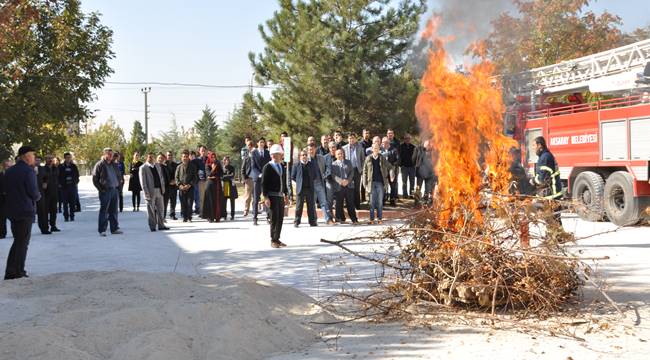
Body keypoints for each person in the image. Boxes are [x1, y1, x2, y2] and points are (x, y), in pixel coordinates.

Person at [4, 146, 40, 280]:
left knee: (18, 241)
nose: (34, 158)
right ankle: (16, 271)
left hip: (13, 210)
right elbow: (33, 192)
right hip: (25, 210)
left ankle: (13, 270)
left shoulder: (9, 171)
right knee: (22, 242)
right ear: (25, 156)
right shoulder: (28, 171)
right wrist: (38, 197)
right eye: (32, 155)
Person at [92, 148, 123, 237]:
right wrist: (101, 189)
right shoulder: (99, 164)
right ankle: (102, 230)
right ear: (104, 154)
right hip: (105, 191)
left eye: (111, 154)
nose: (110, 156)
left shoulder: (114, 164)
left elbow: (118, 176)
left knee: (114, 210)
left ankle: (114, 228)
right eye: (108, 154)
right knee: (104, 210)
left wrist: (119, 187)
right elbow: (95, 179)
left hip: (114, 190)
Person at [262, 144, 288, 248]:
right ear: (273, 155)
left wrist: (286, 194)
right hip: (272, 196)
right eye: (279, 154)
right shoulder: (267, 167)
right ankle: (273, 239)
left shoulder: (281, 166)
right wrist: (266, 197)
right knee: (274, 218)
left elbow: (284, 181)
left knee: (280, 217)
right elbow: (263, 183)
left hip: (280, 195)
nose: (281, 156)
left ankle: (277, 238)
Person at [139, 153, 169, 232]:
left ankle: (161, 225)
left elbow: (161, 178)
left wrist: (163, 189)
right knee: (151, 210)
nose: (151, 158)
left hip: (159, 190)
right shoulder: (143, 168)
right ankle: (152, 226)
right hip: (150, 191)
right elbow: (143, 182)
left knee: (161, 209)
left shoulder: (157, 166)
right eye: (149, 157)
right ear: (146, 157)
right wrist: (146, 193)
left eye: (152, 157)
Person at [307, 143, 335, 225]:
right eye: (309, 150)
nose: (310, 151)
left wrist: (324, 175)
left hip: (319, 183)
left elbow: (327, 168)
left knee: (324, 202)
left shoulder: (321, 158)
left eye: (312, 149)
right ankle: (313, 220)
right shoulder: (306, 159)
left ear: (315, 149)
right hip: (311, 185)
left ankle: (328, 219)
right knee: (312, 203)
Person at [363, 143, 390, 224]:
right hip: (371, 183)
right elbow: (365, 171)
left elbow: (390, 166)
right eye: (374, 148)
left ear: (379, 149)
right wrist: (365, 183)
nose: (376, 150)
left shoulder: (382, 158)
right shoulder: (368, 158)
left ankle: (379, 218)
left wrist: (391, 173)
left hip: (380, 183)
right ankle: (371, 219)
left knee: (380, 202)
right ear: (372, 149)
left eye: (377, 148)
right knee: (372, 202)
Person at [330, 149, 359, 224]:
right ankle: (339, 219)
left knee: (350, 203)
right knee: (339, 204)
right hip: (339, 186)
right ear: (336, 155)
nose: (340, 155)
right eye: (338, 154)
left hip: (348, 185)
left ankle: (354, 219)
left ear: (343, 154)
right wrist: (340, 181)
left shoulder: (348, 162)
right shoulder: (333, 164)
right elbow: (333, 175)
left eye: (341, 153)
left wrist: (348, 181)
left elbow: (352, 172)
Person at [292, 150, 317, 227]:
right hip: (300, 189)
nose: (304, 156)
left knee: (311, 206)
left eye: (305, 155)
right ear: (300, 157)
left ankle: (312, 222)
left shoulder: (311, 165)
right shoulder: (296, 165)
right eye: (302, 155)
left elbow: (315, 175)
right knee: (299, 206)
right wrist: (299, 182)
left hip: (309, 188)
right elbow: (293, 176)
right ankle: (297, 222)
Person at [36, 155, 60, 234]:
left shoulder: (55, 168)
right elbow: (42, 179)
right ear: (45, 160)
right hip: (45, 193)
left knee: (54, 210)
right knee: (44, 211)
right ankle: (45, 227)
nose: (50, 159)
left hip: (55, 192)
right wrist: (44, 183)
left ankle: (53, 225)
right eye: (48, 158)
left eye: (51, 158)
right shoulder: (43, 169)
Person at [343, 133, 365, 209]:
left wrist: (361, 169)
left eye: (352, 138)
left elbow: (363, 159)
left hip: (357, 170)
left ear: (355, 139)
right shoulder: (344, 148)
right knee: (348, 188)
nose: (351, 139)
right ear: (347, 139)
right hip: (348, 171)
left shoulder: (360, 147)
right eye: (349, 138)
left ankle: (357, 205)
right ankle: (349, 204)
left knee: (356, 188)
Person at [251, 138, 271, 225]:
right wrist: (259, 174)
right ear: (257, 143)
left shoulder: (267, 152)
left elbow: (269, 164)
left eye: (263, 142)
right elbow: (253, 166)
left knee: (267, 197)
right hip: (257, 178)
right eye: (260, 142)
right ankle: (255, 218)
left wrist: (266, 174)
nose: (262, 144)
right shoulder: (254, 153)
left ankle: (268, 217)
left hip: (266, 178)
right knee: (256, 198)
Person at [175, 150, 199, 222]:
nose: (184, 158)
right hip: (181, 188)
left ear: (188, 157)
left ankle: (189, 217)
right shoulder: (178, 167)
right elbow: (176, 178)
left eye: (186, 156)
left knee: (189, 203)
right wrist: (180, 185)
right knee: (183, 203)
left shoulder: (193, 166)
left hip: (190, 188)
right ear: (181, 158)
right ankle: (184, 217)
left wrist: (189, 185)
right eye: (183, 157)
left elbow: (195, 177)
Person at [202, 152, 225, 223]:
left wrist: (215, 175)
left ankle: (217, 216)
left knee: (217, 200)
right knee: (210, 200)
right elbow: (208, 174)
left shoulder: (218, 164)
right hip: (209, 185)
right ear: (209, 158)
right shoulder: (207, 165)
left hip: (217, 185)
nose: (213, 158)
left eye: (214, 157)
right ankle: (210, 217)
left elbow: (221, 173)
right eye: (212, 157)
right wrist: (212, 169)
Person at [58, 152, 80, 222]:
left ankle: (72, 215)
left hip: (72, 186)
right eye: (67, 157)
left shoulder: (73, 166)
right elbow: (58, 176)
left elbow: (77, 175)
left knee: (72, 202)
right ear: (64, 158)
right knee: (65, 203)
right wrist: (60, 184)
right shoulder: (61, 166)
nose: (68, 159)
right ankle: (66, 216)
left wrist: (76, 182)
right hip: (64, 187)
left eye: (69, 157)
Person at [416, 140, 436, 205]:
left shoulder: (433, 152)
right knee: (418, 187)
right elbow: (416, 160)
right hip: (420, 173)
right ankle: (416, 200)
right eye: (427, 145)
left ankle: (425, 200)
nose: (428, 146)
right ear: (424, 145)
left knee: (427, 189)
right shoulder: (420, 151)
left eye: (429, 145)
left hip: (429, 174)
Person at [381, 136, 399, 206]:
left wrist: (392, 165)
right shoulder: (380, 150)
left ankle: (392, 201)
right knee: (383, 186)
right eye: (383, 143)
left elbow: (398, 160)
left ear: (389, 143)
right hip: (383, 171)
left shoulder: (394, 150)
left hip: (392, 170)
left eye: (385, 143)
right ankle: (383, 200)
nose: (384, 144)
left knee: (393, 186)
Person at [399, 134, 416, 199]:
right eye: (406, 138)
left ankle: (411, 195)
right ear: (404, 139)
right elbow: (399, 156)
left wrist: (414, 165)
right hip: (404, 167)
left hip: (412, 167)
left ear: (410, 139)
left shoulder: (413, 147)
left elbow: (416, 157)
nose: (407, 139)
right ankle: (405, 195)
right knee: (404, 182)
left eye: (409, 138)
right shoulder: (401, 147)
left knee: (412, 182)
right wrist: (401, 165)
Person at [323, 141, 338, 217]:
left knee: (338, 199)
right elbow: (323, 170)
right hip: (329, 181)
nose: (332, 149)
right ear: (328, 148)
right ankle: (330, 216)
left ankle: (338, 216)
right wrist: (326, 176)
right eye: (330, 147)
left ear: (336, 147)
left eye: (333, 147)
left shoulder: (339, 155)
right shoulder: (325, 158)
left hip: (338, 181)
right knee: (329, 199)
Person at [240, 141, 254, 216]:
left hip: (256, 178)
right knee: (247, 196)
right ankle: (246, 210)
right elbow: (242, 169)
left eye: (251, 145)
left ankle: (255, 210)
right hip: (248, 179)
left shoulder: (256, 155)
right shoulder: (246, 157)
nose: (250, 146)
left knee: (256, 196)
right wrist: (244, 179)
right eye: (249, 145)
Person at [164, 151, 179, 220]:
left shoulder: (176, 165)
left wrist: (175, 181)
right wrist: (168, 182)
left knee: (173, 201)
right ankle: (163, 216)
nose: (169, 156)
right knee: (165, 202)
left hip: (174, 186)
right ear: (166, 156)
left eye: (171, 155)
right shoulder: (164, 165)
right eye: (168, 155)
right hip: (166, 186)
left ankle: (172, 214)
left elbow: (178, 174)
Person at [222, 156, 237, 220]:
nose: (226, 161)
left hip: (231, 185)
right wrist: (228, 176)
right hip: (224, 185)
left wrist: (225, 176)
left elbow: (232, 175)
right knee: (224, 201)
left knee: (232, 201)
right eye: (225, 160)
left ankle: (232, 215)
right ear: (223, 161)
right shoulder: (221, 168)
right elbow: (221, 176)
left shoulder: (232, 167)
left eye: (227, 160)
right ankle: (224, 215)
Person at [194, 145, 208, 215]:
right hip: (201, 180)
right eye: (201, 150)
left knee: (208, 196)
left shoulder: (209, 159)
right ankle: (201, 212)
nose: (203, 151)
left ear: (206, 151)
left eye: (204, 150)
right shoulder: (196, 160)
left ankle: (207, 211)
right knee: (201, 197)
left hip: (208, 180)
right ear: (199, 151)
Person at [0, 161, 8, 239]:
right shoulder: (0, 175)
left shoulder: (13, 176)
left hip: (12, 199)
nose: (7, 168)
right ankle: (2, 233)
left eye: (8, 166)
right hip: (2, 200)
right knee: (2, 218)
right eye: (6, 166)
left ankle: (16, 233)